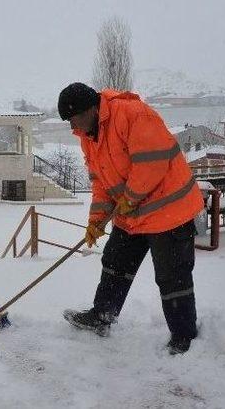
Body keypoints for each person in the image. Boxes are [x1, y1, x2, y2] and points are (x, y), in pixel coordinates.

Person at [57, 82, 204, 355]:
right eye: (69, 121)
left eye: (74, 118)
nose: (72, 126)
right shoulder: (88, 135)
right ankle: (102, 316)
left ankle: (184, 337)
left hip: (168, 210)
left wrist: (131, 197)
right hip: (132, 213)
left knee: (172, 276)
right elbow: (100, 181)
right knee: (115, 261)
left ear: (90, 109)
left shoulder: (132, 114)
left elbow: (152, 162)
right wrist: (96, 219)